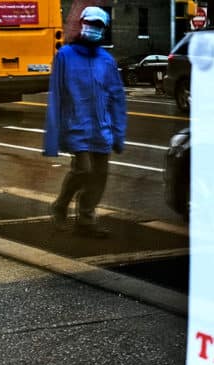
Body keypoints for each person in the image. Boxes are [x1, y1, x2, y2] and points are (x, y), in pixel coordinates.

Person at [43, 6, 127, 238]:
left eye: (99, 25)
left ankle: (86, 220)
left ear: (104, 29)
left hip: (102, 130)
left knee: (99, 176)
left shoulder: (106, 60)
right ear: (82, 24)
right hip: (75, 128)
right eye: (90, 23)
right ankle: (61, 204)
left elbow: (117, 98)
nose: (94, 29)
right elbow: (57, 96)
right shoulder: (65, 56)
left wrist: (118, 134)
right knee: (83, 169)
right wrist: (54, 138)